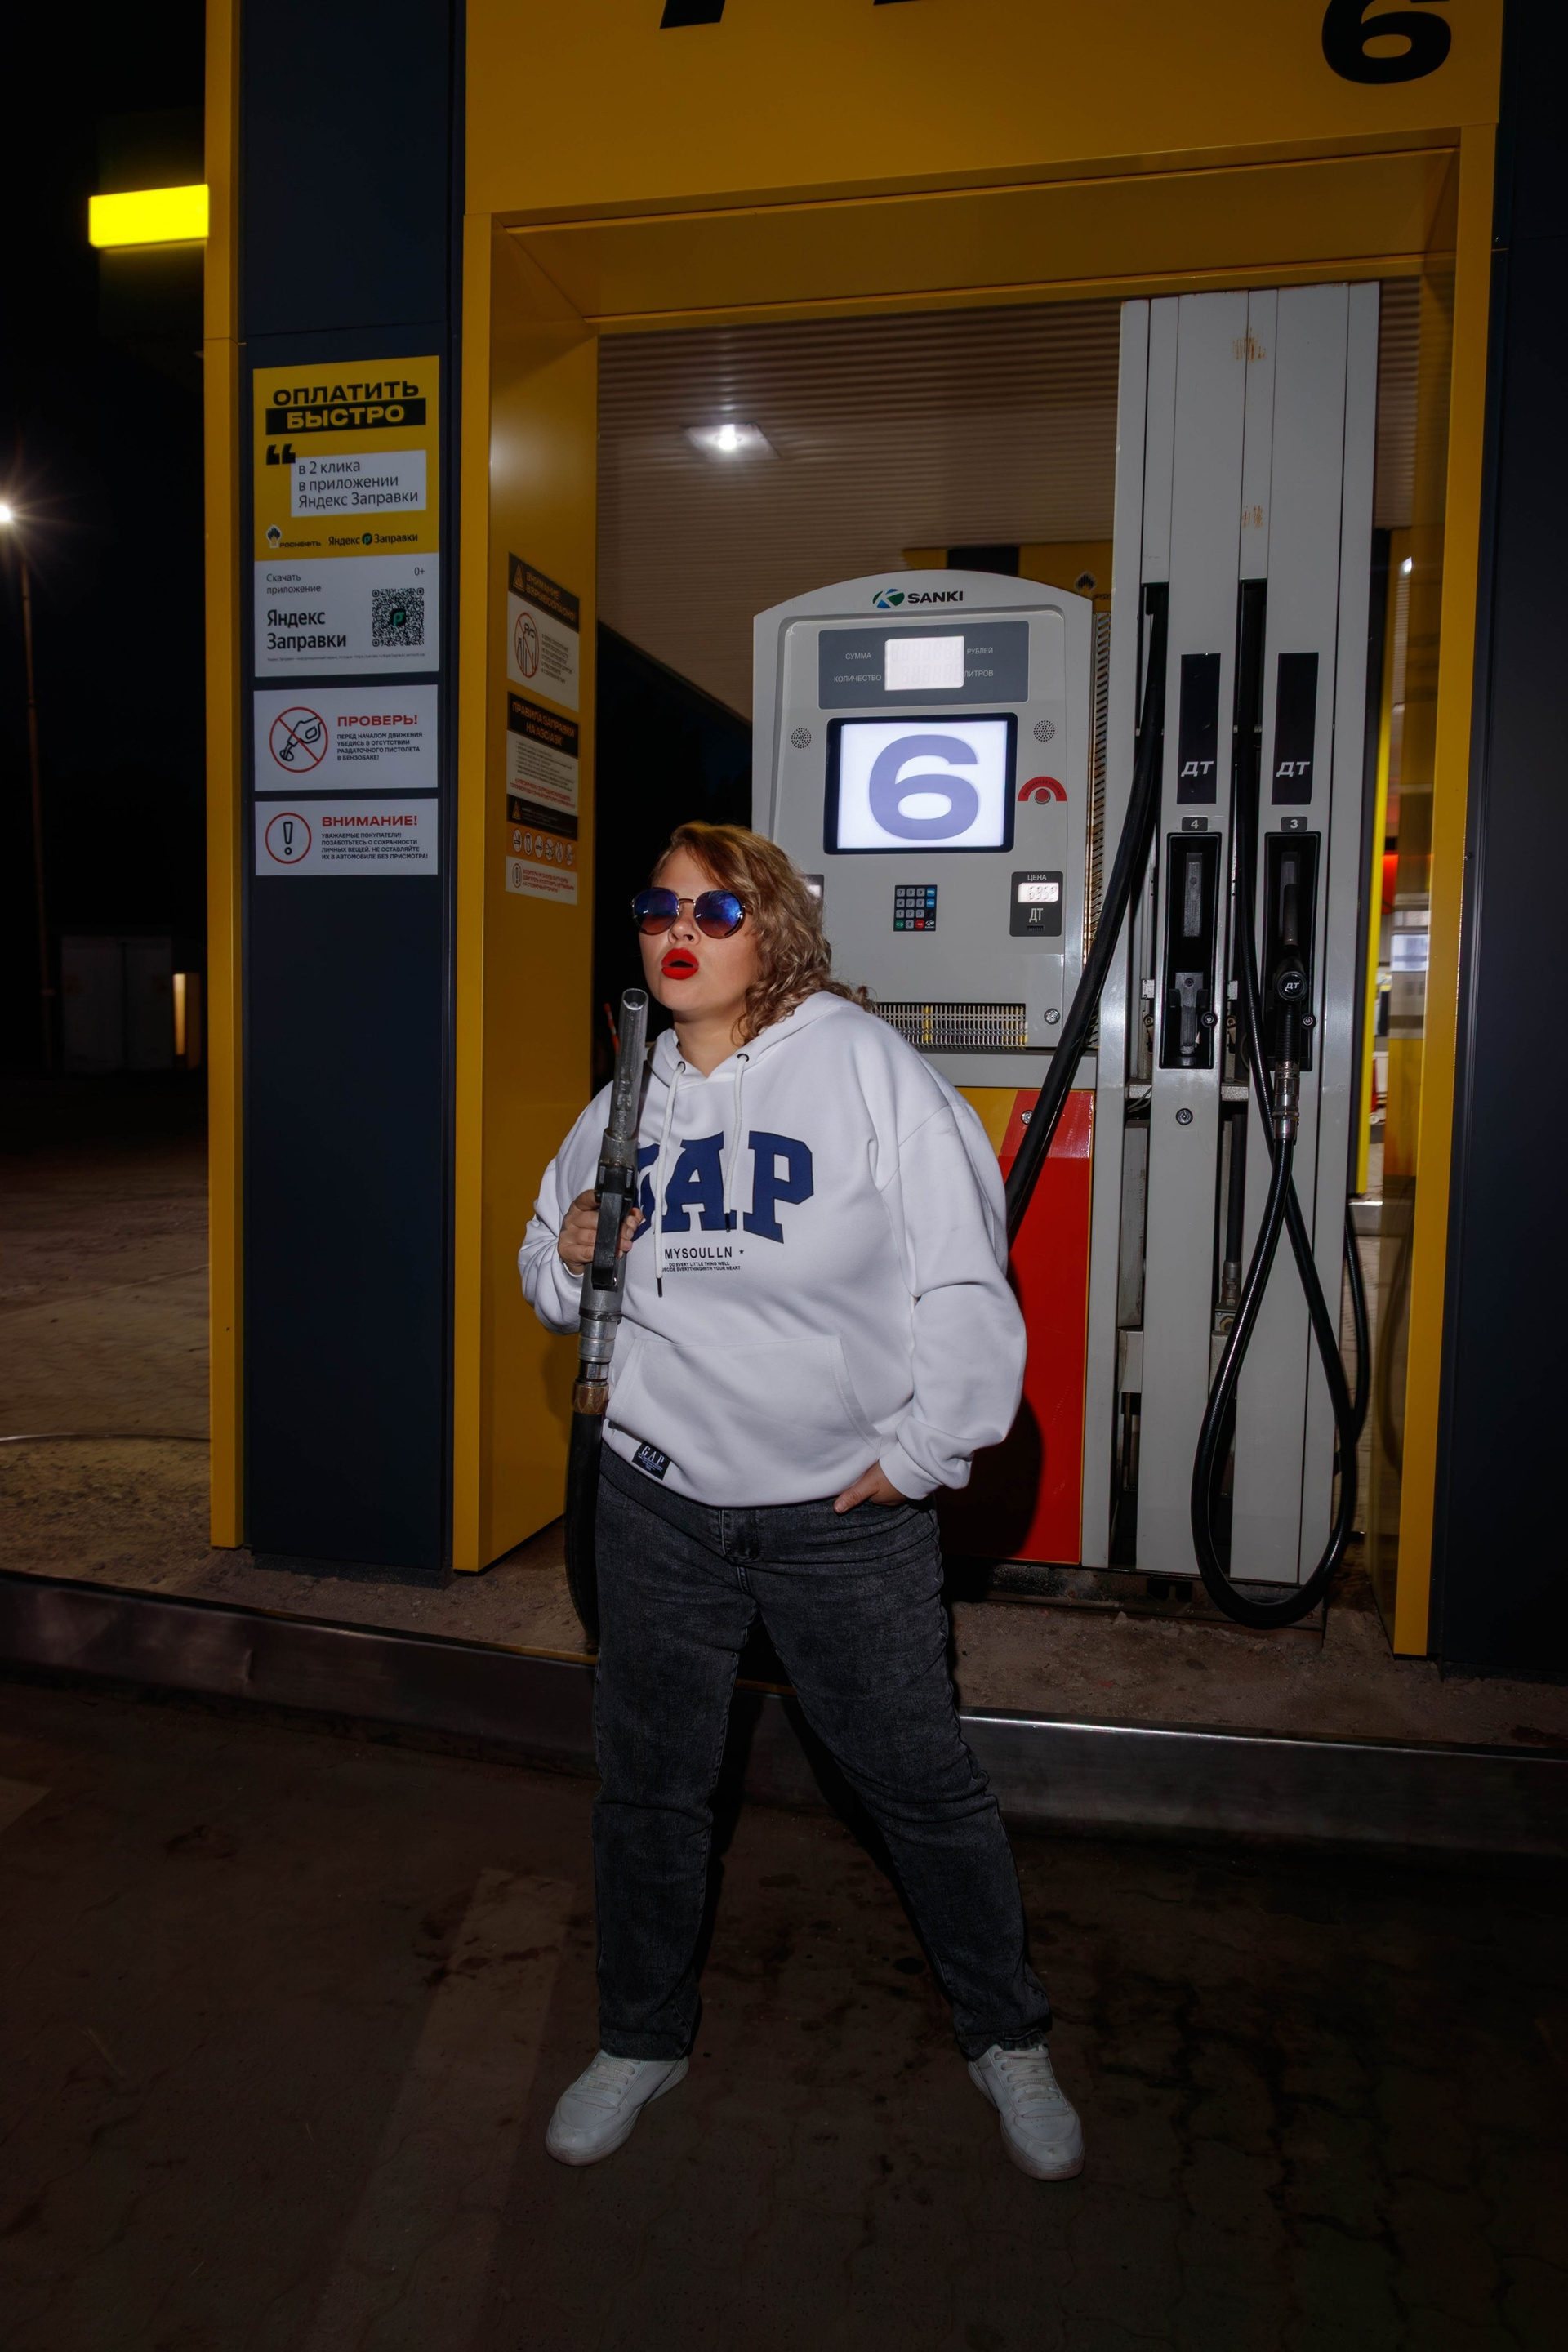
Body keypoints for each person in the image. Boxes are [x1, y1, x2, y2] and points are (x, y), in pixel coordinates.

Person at [519, 822, 1083, 2181]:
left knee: (919, 1787)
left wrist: (926, 1452)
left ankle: (1007, 2032)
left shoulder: (866, 1069)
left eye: (713, 911)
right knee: (651, 1792)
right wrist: (573, 1251)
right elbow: (546, 1268)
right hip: (659, 1506)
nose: (678, 931)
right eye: (658, 908)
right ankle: (641, 2037)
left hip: (838, 1520)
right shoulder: (626, 1094)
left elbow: (964, 1276)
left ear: (771, 929)